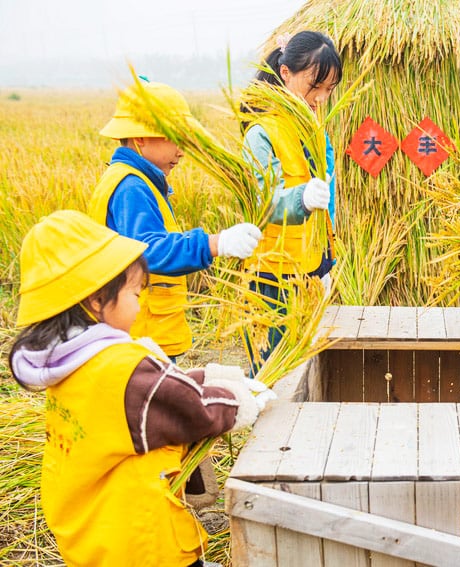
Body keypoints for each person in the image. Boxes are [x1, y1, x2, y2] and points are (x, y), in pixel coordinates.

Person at [8, 210, 272, 567]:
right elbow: (192, 409)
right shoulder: (123, 368)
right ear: (96, 300)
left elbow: (153, 395)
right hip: (141, 544)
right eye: (134, 294)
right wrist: (238, 400)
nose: (138, 305)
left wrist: (212, 377)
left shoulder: (67, 364)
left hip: (94, 538)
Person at [89, 79, 263, 360]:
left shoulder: (137, 181)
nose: (181, 151)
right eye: (175, 139)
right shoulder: (131, 187)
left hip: (143, 334)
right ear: (141, 137)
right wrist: (214, 244)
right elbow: (148, 251)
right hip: (140, 338)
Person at [240, 30, 342, 371]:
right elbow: (265, 202)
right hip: (271, 279)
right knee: (271, 373)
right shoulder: (261, 134)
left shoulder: (314, 132)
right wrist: (301, 199)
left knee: (303, 371)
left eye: (329, 89)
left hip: (309, 272)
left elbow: (326, 206)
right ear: (285, 73)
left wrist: (326, 262)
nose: (321, 98)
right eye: (315, 85)